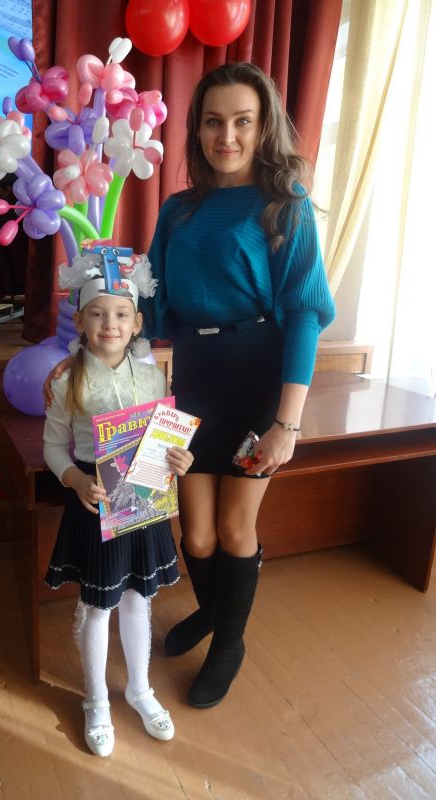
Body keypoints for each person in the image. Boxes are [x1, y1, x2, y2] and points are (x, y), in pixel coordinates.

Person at [138, 61, 336, 709]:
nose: (227, 136)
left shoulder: (286, 204)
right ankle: (214, 610)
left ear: (263, 127)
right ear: (196, 130)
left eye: (243, 122)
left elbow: (304, 313)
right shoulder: (177, 210)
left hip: (258, 382)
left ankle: (228, 642)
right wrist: (96, 313)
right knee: (194, 535)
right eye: (214, 122)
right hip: (193, 379)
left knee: (231, 527)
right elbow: (153, 306)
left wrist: (287, 424)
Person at [43, 249, 194, 757]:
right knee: (99, 605)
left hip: (142, 504)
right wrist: (73, 480)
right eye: (98, 313)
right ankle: (96, 700)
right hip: (95, 502)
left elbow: (165, 442)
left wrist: (179, 459)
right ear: (80, 321)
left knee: (137, 600)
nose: (110, 324)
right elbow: (52, 446)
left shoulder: (153, 378)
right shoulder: (67, 380)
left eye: (121, 314)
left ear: (137, 324)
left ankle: (139, 689)